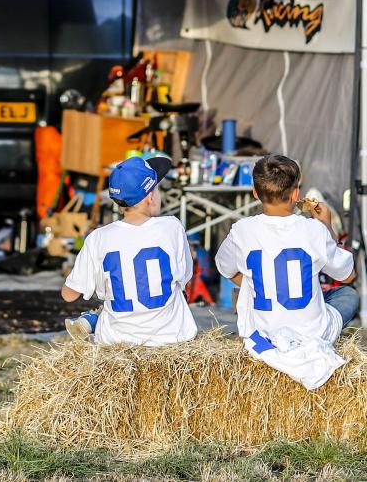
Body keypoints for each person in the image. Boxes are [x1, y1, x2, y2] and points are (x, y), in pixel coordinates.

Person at [216, 154, 358, 389]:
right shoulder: (314, 229)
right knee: (348, 296)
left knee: (249, 289)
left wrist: (258, 283)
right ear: (295, 194)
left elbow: (224, 267)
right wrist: (327, 226)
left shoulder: (242, 230)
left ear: (254, 191)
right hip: (312, 332)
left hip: (263, 330)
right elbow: (348, 275)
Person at [60, 155, 197, 345]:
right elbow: (184, 277)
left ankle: (93, 319)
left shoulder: (98, 238)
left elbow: (69, 295)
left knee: (110, 302)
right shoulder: (172, 227)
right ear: (150, 197)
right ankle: (95, 318)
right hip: (171, 337)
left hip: (118, 341)